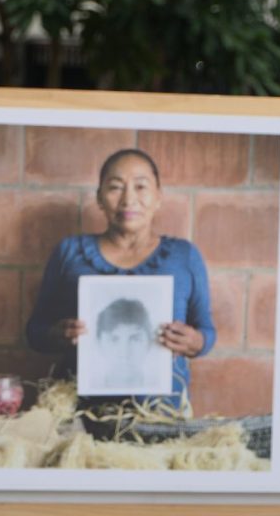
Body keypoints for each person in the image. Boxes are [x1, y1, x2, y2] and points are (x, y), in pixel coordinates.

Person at [26, 148, 216, 410]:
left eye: (141, 186)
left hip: (161, 415)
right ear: (100, 198)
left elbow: (207, 330)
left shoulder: (185, 256)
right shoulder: (69, 252)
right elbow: (34, 332)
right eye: (115, 187)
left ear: (158, 197)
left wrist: (195, 342)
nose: (129, 199)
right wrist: (57, 334)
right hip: (81, 415)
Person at [94, 298, 156, 390]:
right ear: (99, 343)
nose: (124, 353)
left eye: (135, 339)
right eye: (114, 339)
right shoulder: (89, 386)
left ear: (149, 342)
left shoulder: (159, 387)